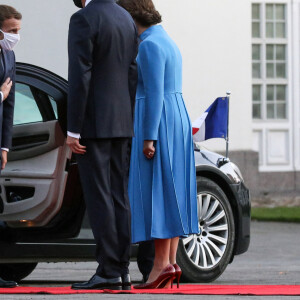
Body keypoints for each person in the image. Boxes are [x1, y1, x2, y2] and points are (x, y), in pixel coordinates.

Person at [118, 0, 199, 289]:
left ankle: (160, 265)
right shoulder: (166, 39)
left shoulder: (149, 44)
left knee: (158, 193)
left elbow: (153, 94)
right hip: (175, 116)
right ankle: (171, 263)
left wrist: (149, 136)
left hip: (158, 120)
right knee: (172, 190)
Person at [67, 0, 138, 290]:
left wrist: (73, 128)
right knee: (119, 195)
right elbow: (132, 72)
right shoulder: (126, 18)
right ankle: (122, 269)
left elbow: (80, 74)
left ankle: (108, 269)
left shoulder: (83, 18)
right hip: (121, 121)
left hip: (94, 122)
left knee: (99, 197)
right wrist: (126, 115)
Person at [0, 4, 21, 289]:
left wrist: (5, 147)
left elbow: (11, 104)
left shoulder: (9, 54)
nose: (15, 36)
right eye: (11, 31)